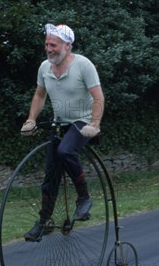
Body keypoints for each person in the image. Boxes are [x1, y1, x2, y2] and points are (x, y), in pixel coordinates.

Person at [21, 23, 105, 241]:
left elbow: (98, 97)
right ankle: (44, 221)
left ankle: (84, 197)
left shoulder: (83, 65)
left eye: (54, 45)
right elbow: (40, 95)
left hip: (82, 122)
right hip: (59, 123)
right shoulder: (44, 68)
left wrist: (94, 125)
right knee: (50, 178)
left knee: (66, 151)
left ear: (67, 46)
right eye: (47, 44)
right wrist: (31, 120)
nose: (49, 49)